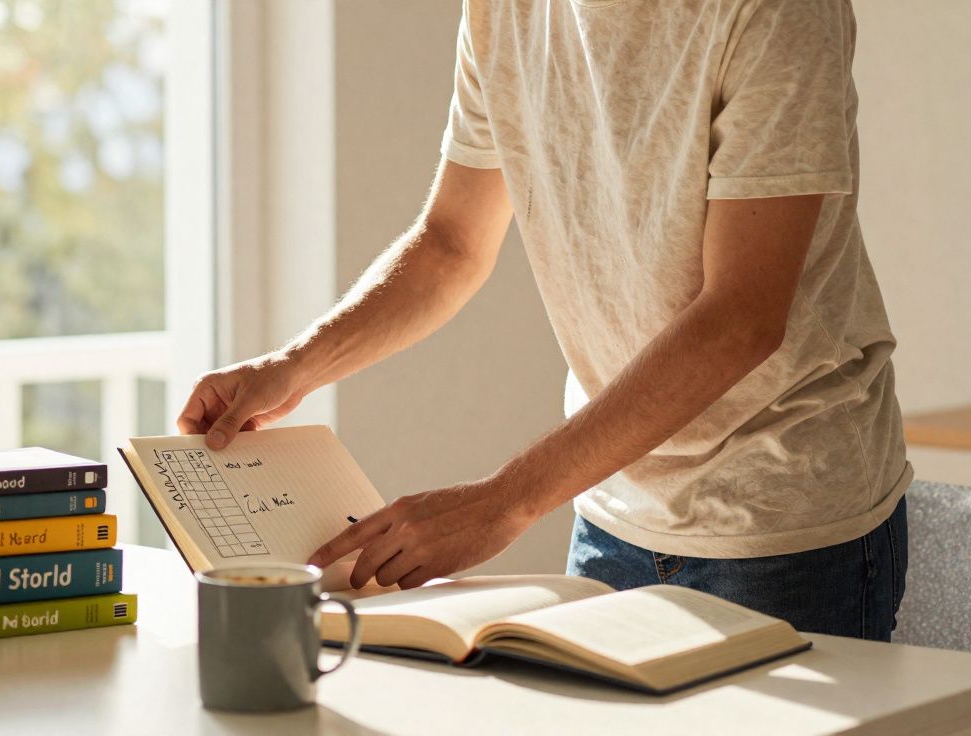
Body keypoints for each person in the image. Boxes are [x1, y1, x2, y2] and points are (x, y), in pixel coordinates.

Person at [177, 0, 911, 641]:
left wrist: (501, 504)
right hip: (610, 508)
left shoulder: (776, 10)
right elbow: (451, 244)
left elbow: (740, 318)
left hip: (784, 527)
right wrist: (291, 368)